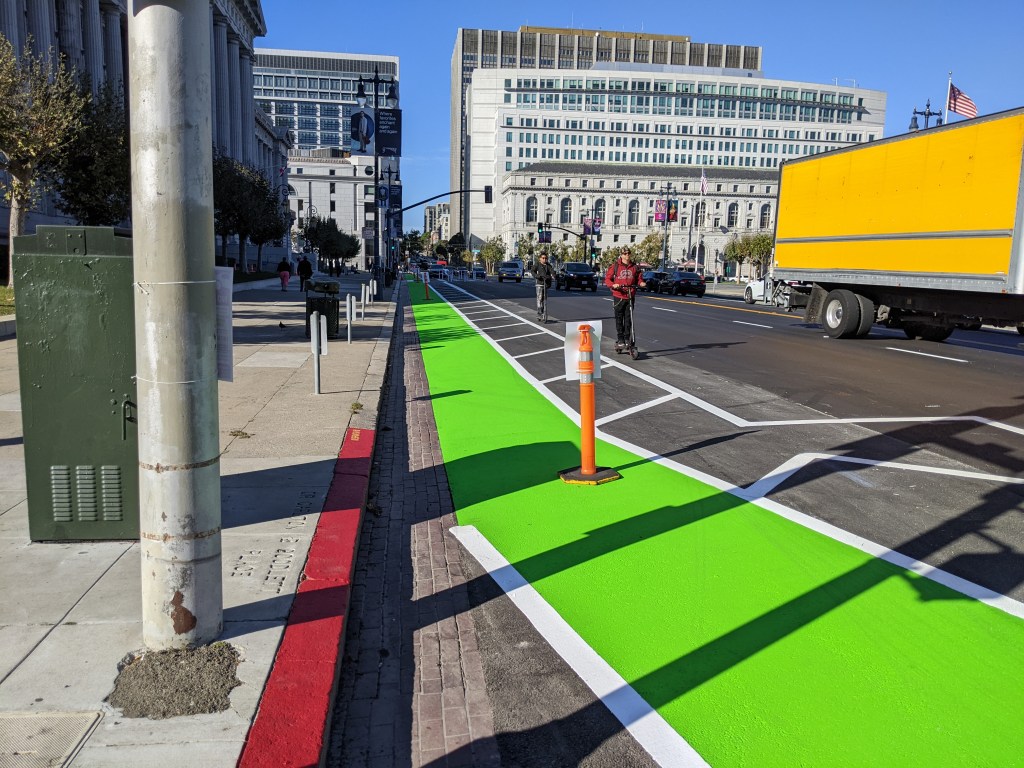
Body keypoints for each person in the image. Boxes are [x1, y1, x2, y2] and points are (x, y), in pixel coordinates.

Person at [603, 248, 646, 352]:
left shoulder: (635, 267)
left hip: (630, 295)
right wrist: (614, 285)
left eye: (628, 253)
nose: (627, 255)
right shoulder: (615, 266)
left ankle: (627, 339)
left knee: (628, 318)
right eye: (625, 254)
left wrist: (641, 283)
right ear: (621, 255)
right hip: (619, 295)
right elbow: (607, 279)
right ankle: (620, 339)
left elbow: (639, 278)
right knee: (619, 318)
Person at [533, 252, 556, 322]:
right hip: (539, 284)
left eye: (546, 258)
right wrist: (537, 276)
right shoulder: (537, 264)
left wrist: (553, 275)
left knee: (544, 299)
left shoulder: (548, 265)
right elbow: (532, 271)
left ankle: (544, 312)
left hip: (546, 284)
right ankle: (539, 313)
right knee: (539, 298)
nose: (544, 259)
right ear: (540, 259)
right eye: (543, 258)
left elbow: (552, 271)